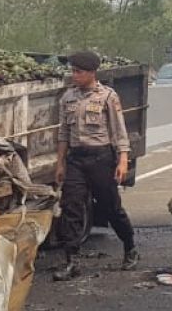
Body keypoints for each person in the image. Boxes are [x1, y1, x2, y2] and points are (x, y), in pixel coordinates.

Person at [52, 51, 137, 282]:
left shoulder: (108, 97)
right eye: (73, 71)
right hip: (76, 160)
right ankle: (71, 261)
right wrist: (60, 163)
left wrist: (122, 160)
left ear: (91, 73)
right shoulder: (68, 98)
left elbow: (119, 131)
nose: (74, 75)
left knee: (110, 208)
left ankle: (129, 246)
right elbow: (63, 133)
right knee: (71, 207)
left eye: (79, 72)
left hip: (101, 158)